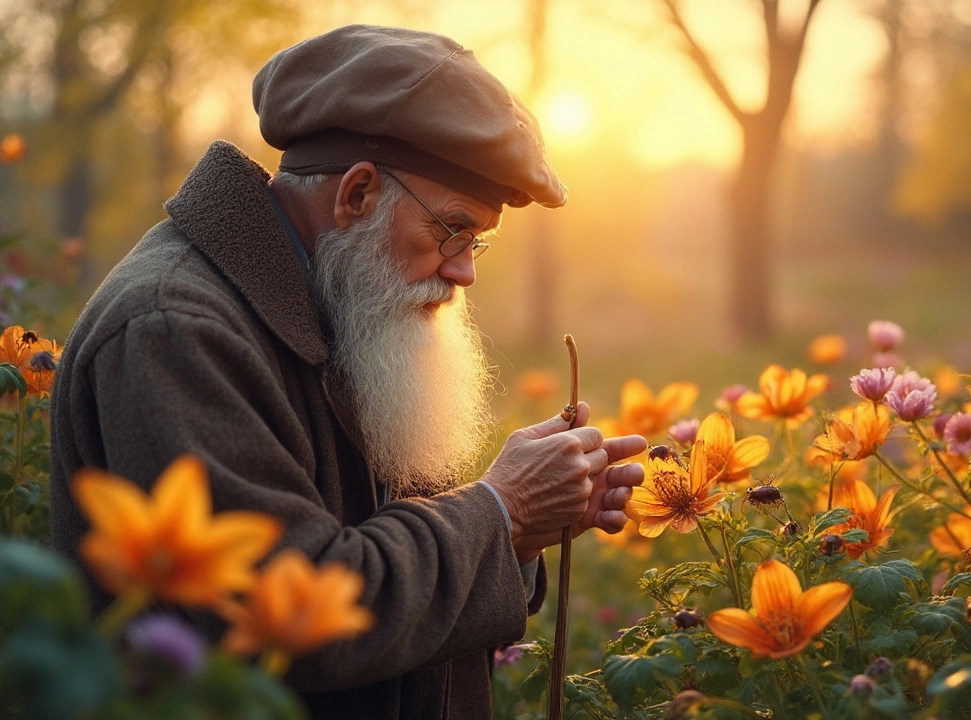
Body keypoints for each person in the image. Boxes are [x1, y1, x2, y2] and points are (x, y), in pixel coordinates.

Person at [48, 25, 647, 719]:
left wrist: (525, 529)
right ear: (357, 194)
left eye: (478, 241)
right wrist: (501, 511)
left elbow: (387, 554)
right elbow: (290, 618)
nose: (465, 270)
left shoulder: (342, 296)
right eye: (452, 230)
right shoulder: (175, 330)